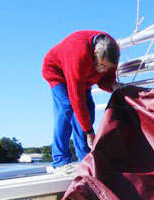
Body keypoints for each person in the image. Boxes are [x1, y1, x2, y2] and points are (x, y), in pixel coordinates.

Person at [42, 30, 124, 176]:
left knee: (89, 112)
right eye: (102, 65)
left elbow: (104, 79)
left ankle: (84, 158)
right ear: (94, 54)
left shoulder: (113, 54)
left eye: (108, 67)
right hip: (57, 72)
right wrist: (89, 132)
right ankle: (60, 161)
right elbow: (76, 98)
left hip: (84, 79)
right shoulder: (79, 53)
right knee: (67, 108)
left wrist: (112, 85)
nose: (104, 70)